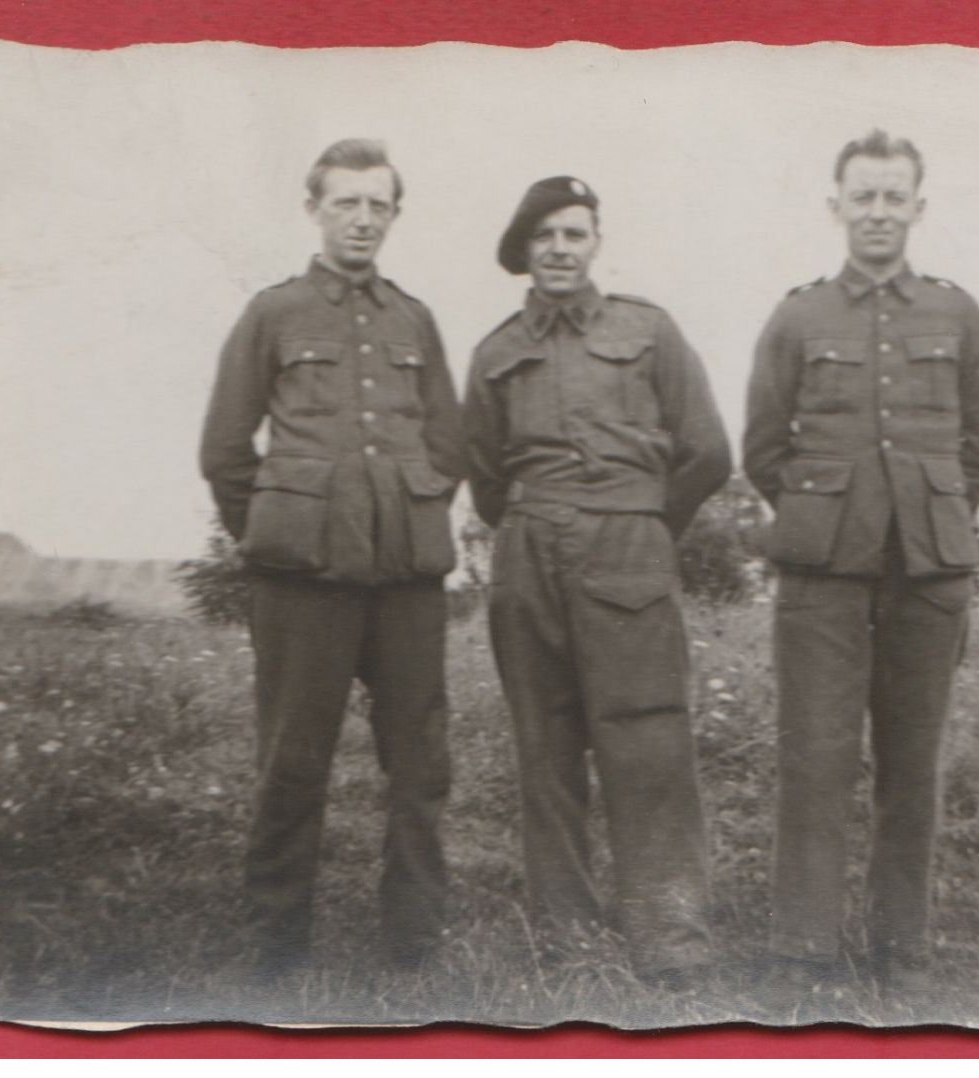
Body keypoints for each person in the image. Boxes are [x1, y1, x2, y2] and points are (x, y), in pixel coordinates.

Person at [743, 130, 979, 980]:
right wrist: (828, 522)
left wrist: (929, 517)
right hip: (820, 576)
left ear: (917, 208)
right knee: (813, 757)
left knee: (911, 762)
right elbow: (762, 449)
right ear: (836, 207)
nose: (879, 212)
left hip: (928, 575)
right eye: (863, 196)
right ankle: (801, 948)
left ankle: (900, 947)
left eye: (894, 197)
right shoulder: (797, 316)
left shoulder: (957, 314)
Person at [199, 139, 463, 972]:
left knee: (420, 767)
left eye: (376, 204)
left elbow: (447, 440)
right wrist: (278, 529)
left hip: (406, 583)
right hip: (300, 583)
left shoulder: (413, 318)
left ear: (393, 215)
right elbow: (225, 449)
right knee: (291, 766)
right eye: (345, 202)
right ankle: (272, 951)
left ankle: (414, 944)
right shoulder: (272, 314)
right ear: (314, 208)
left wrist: (409, 515)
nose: (361, 218)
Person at [463, 176, 731, 985]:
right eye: (544, 236)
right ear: (523, 251)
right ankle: (566, 935)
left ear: (595, 244)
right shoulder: (496, 351)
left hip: (629, 546)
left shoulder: (647, 330)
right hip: (528, 554)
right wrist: (536, 528)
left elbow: (708, 451)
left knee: (648, 741)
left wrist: (645, 527)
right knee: (544, 748)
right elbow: (480, 472)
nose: (559, 249)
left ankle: (667, 933)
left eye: (574, 234)